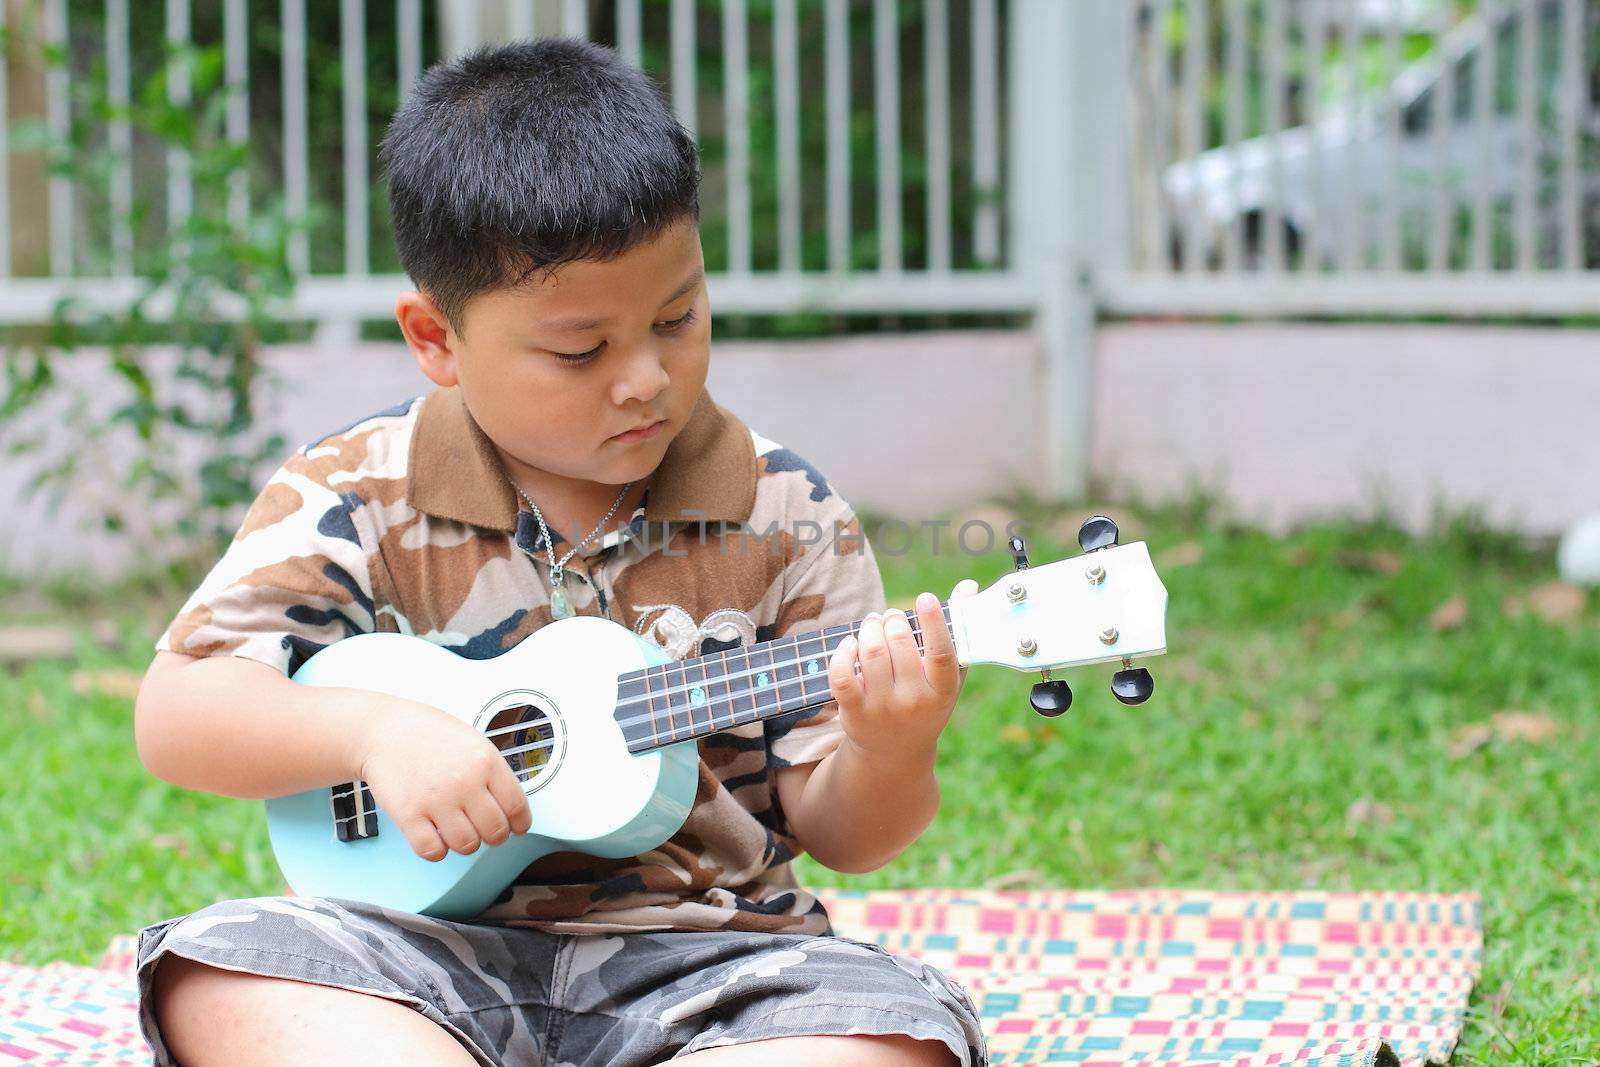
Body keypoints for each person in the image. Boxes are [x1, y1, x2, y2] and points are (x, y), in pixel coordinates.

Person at [131, 37, 986, 1067]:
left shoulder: (785, 508)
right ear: (435, 338)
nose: (644, 379)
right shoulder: (351, 488)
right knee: (217, 967)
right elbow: (177, 714)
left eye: (677, 317)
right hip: (414, 959)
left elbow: (846, 832)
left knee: (891, 1031)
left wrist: (891, 743)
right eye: (580, 350)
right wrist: (374, 735)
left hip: (712, 966)